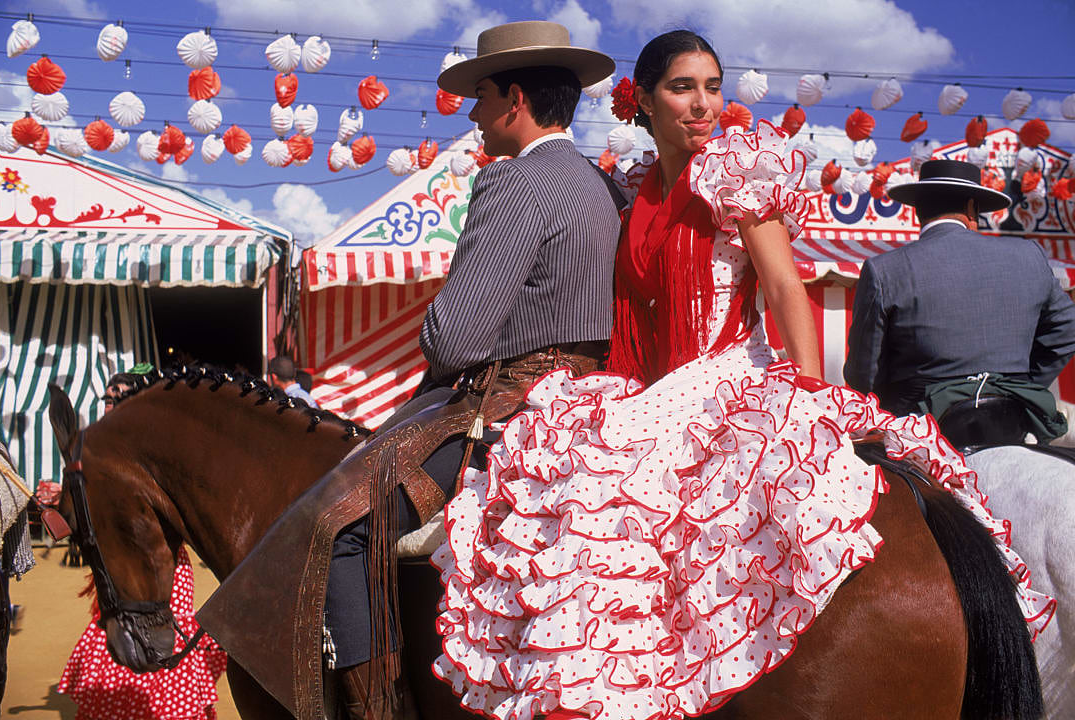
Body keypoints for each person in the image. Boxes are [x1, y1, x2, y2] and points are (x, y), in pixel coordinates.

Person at [430, 31, 1054, 720]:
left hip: (729, 374)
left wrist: (812, 395)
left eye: (712, 86)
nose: (703, 104)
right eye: (682, 87)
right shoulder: (635, 190)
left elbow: (787, 289)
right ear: (641, 99)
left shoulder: (736, 168)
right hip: (647, 391)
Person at [196, 20, 622, 719]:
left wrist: (441, 312)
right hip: (594, 402)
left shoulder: (513, 182)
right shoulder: (599, 187)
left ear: (514, 100)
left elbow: (455, 340)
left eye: (481, 97)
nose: (474, 114)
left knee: (340, 526)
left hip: (518, 407)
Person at [844, 159, 1075, 439]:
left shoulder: (884, 270)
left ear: (918, 210)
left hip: (920, 431)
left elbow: (865, 373)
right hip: (1009, 422)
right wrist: (1019, 385)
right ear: (970, 207)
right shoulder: (1029, 255)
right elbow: (1066, 333)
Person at [58, 369, 228, 720]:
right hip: (118, 566)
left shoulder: (155, 450)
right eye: (107, 398)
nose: (111, 404)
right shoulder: (97, 450)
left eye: (118, 397)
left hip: (160, 566)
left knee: (160, 646)